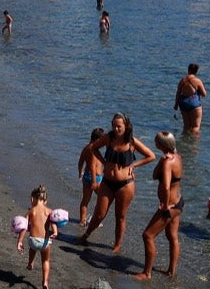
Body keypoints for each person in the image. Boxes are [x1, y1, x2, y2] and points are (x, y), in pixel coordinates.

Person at [79, 113, 155, 252]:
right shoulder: (109, 138)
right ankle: (86, 235)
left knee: (120, 217)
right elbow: (93, 148)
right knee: (99, 214)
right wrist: (103, 162)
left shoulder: (132, 142)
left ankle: (117, 245)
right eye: (114, 125)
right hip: (107, 182)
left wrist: (134, 165)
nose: (116, 129)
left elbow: (151, 156)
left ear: (126, 126)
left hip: (125, 185)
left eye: (119, 126)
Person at [136, 131, 183, 279]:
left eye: (156, 141)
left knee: (147, 235)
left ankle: (147, 273)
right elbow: (155, 175)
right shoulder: (176, 157)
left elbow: (167, 186)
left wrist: (164, 206)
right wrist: (161, 161)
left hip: (170, 206)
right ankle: (171, 271)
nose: (154, 142)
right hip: (178, 203)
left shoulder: (168, 162)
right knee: (172, 236)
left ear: (162, 144)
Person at [17, 185, 58, 289]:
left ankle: (30, 263)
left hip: (34, 240)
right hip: (45, 242)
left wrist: (19, 241)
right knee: (45, 261)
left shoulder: (31, 211)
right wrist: (55, 232)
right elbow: (54, 223)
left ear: (32, 199)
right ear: (45, 201)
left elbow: (24, 227)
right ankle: (45, 282)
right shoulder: (49, 211)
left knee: (33, 248)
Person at [74, 127, 106, 224]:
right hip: (95, 178)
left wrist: (80, 173)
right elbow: (92, 166)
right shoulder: (93, 150)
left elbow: (80, 162)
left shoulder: (86, 148)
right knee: (101, 199)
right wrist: (94, 181)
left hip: (86, 176)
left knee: (85, 200)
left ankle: (82, 220)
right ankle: (96, 220)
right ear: (98, 140)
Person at [174, 63, 207, 135]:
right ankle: (193, 144)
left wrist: (176, 105)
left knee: (186, 126)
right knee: (195, 126)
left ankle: (184, 141)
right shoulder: (197, 81)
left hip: (183, 103)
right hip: (194, 103)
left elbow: (178, 93)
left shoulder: (182, 80)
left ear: (188, 70)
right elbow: (204, 94)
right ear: (196, 71)